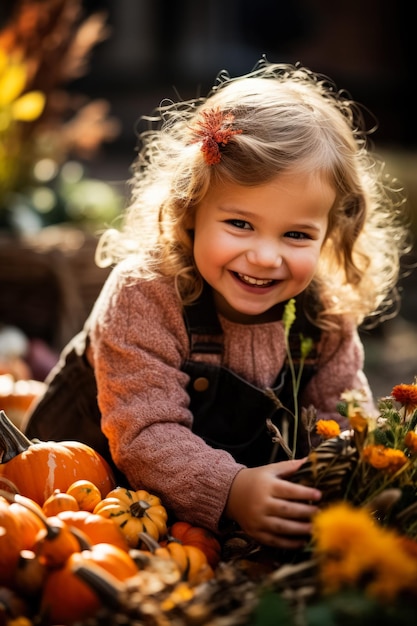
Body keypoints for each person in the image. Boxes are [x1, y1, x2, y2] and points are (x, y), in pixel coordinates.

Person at [24, 58, 409, 549]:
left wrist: (342, 479)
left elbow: (342, 421)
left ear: (331, 234)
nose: (265, 256)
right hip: (89, 506)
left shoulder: (323, 319)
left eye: (296, 234)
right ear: (191, 210)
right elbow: (145, 434)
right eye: (240, 224)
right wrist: (231, 490)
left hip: (214, 527)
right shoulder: (145, 294)